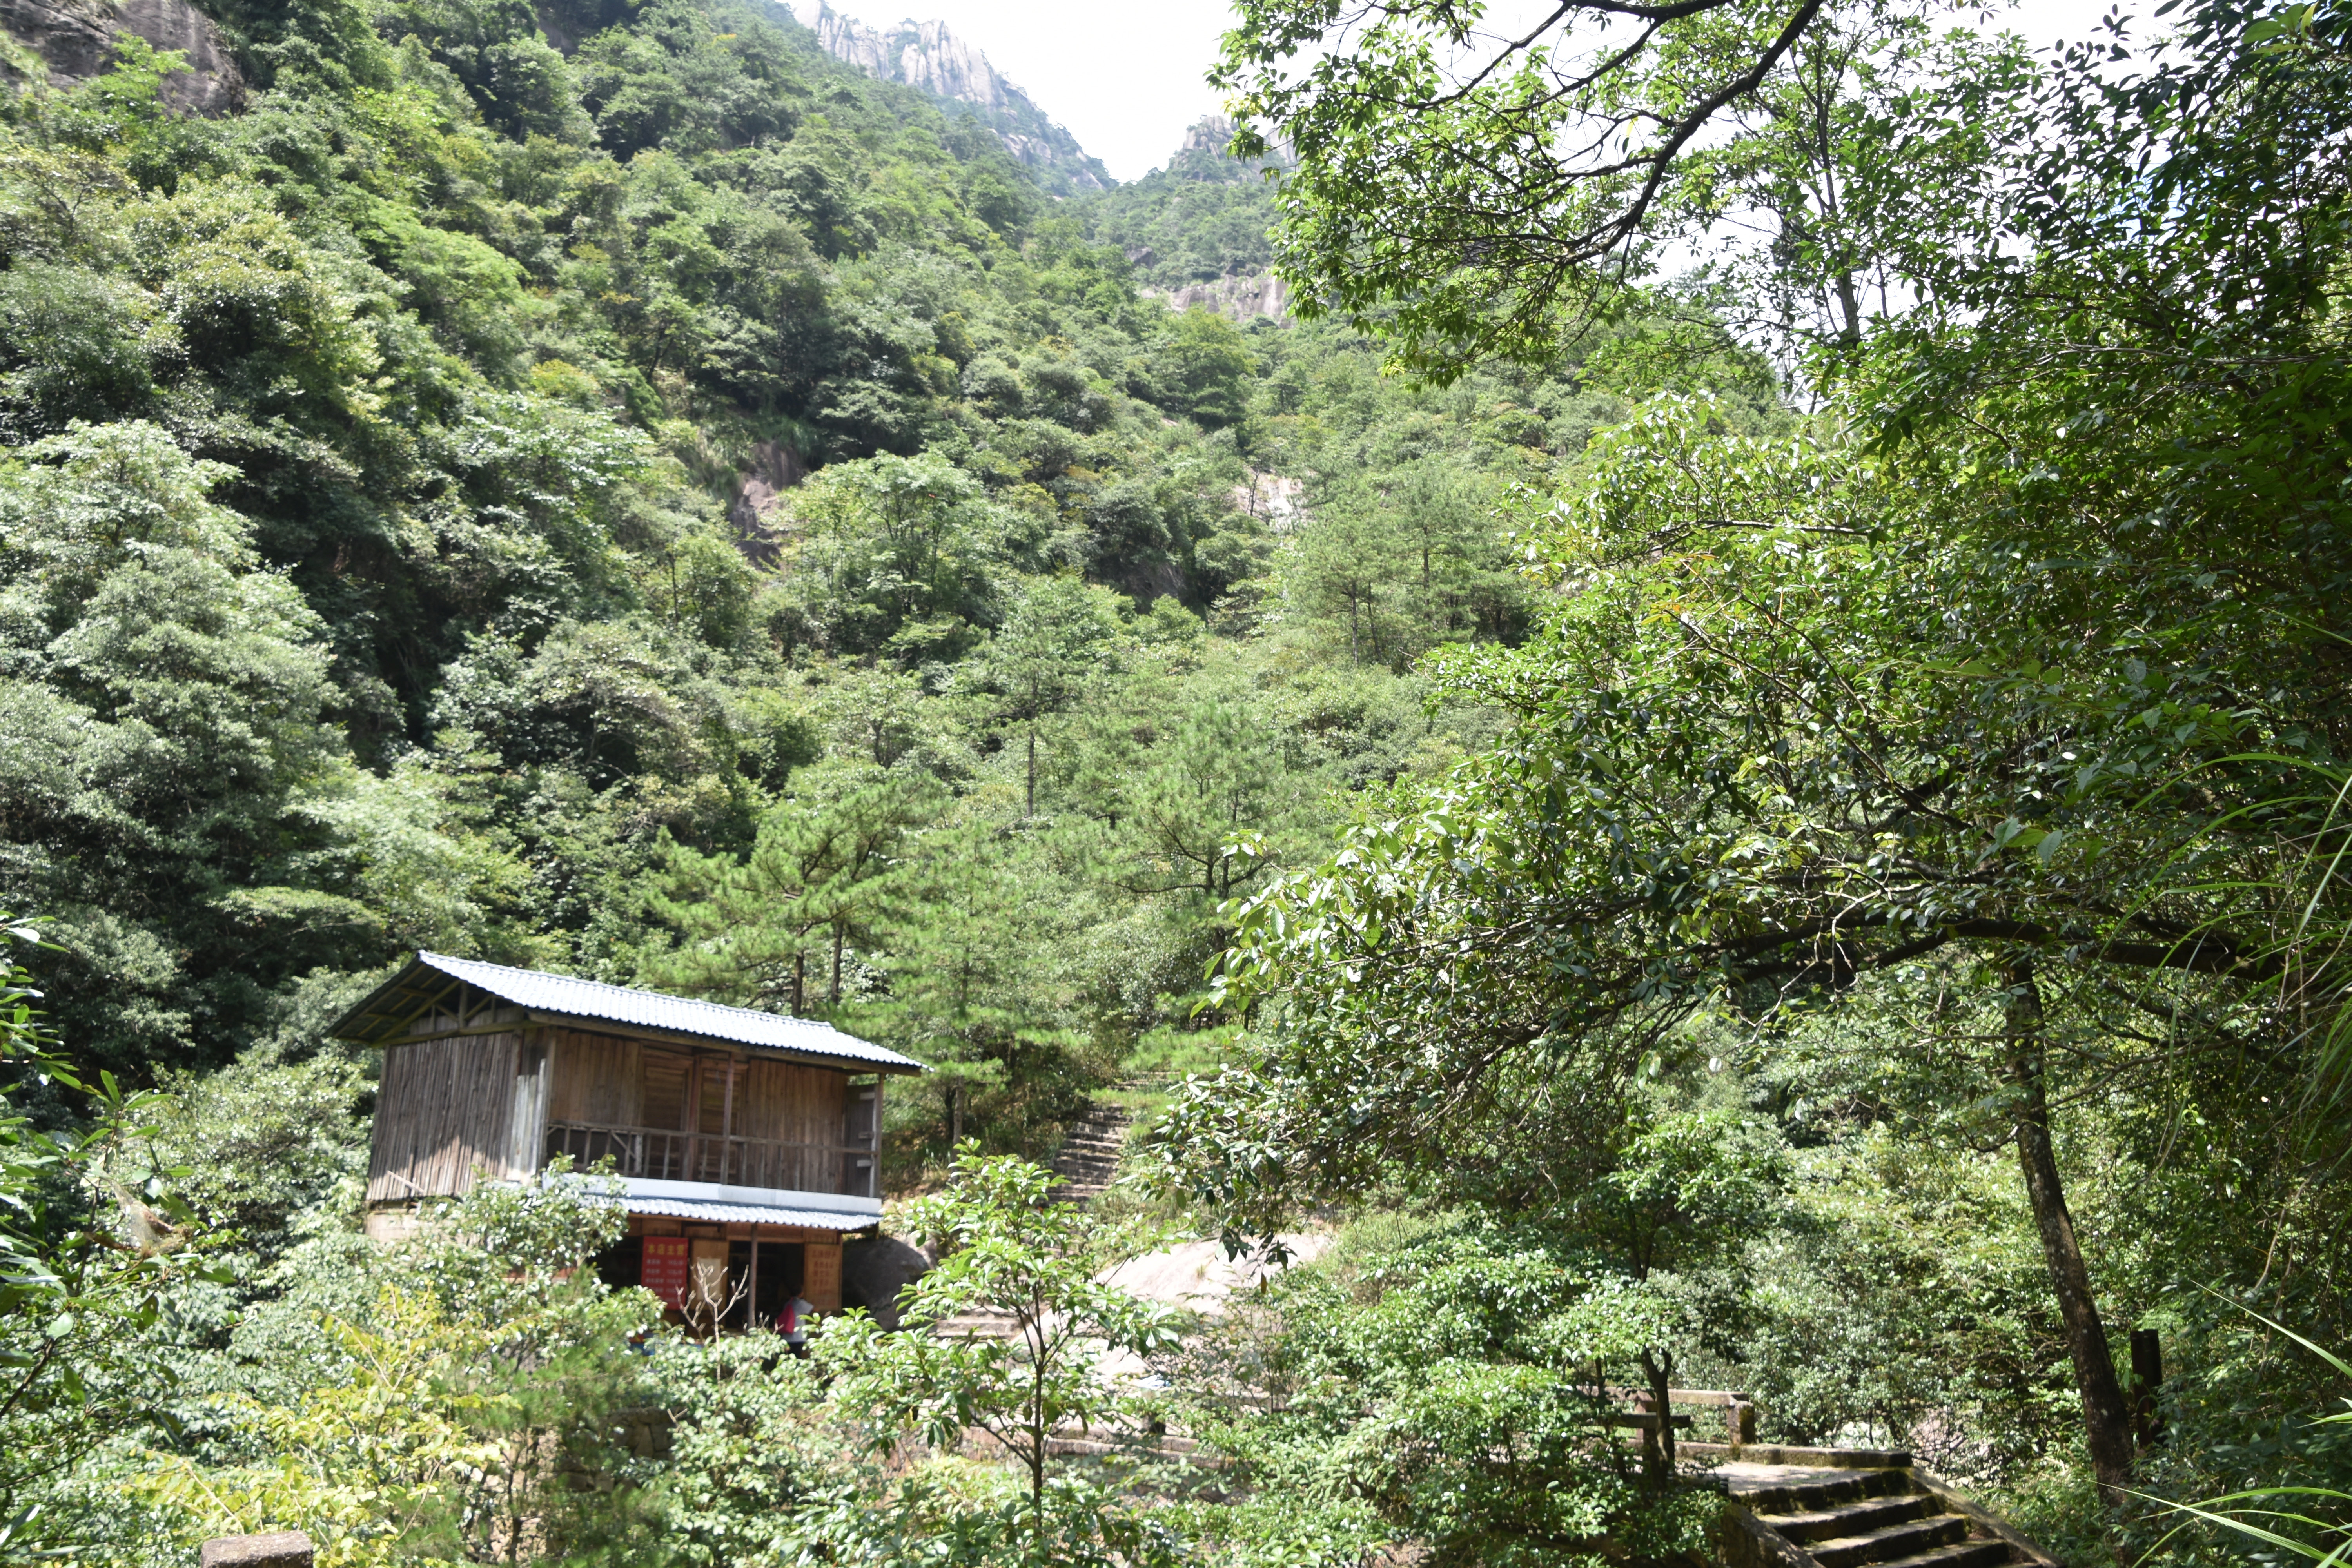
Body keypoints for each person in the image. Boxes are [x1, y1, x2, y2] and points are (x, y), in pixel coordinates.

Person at [778, 1292, 816, 1357]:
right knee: (797, 1357)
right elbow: (815, 1310)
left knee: (787, 1358)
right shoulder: (800, 1303)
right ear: (801, 1294)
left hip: (787, 1336)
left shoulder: (788, 1303)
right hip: (798, 1337)